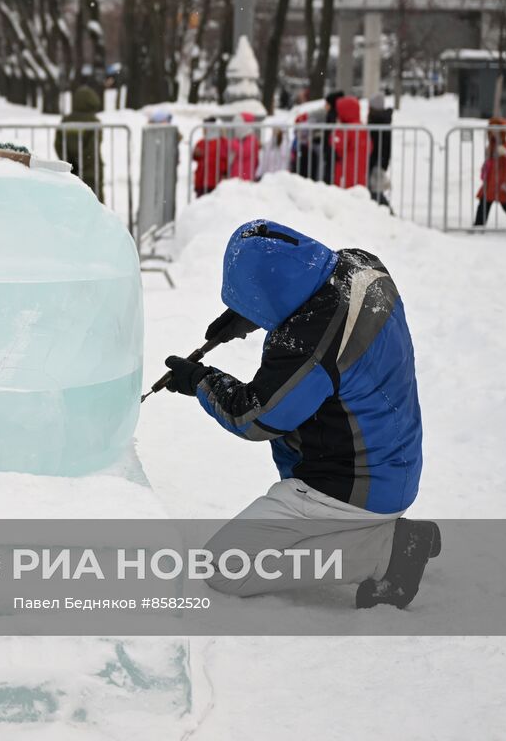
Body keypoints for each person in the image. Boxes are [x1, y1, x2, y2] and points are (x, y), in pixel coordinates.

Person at [156, 220, 436, 609]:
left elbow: (256, 417)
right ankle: (370, 532)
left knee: (225, 567)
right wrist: (254, 314)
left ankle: (385, 550)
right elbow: (322, 317)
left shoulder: (310, 343)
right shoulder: (362, 266)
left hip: (349, 488)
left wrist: (201, 380)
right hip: (395, 464)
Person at [57, 82, 105, 200]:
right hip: (90, 170)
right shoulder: (93, 122)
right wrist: (87, 169)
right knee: (94, 201)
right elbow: (92, 149)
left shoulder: (66, 121)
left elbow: (58, 144)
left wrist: (68, 163)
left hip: (69, 170)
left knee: (73, 200)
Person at [472, 116, 506, 228]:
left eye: (496, 129)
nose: (494, 132)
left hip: (502, 179)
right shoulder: (491, 145)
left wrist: (505, 153)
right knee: (484, 201)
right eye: (492, 129)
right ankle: (479, 224)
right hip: (490, 180)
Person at [330, 95, 371, 189]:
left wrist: (336, 132)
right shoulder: (362, 127)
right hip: (360, 170)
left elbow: (338, 146)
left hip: (346, 171)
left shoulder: (346, 129)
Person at [366, 92, 393, 208]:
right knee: (375, 188)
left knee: (375, 189)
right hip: (378, 158)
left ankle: (386, 210)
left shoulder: (378, 120)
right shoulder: (381, 119)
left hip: (377, 158)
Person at [191, 122, 232, 197]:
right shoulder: (201, 142)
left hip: (216, 179)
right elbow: (196, 157)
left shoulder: (223, 142)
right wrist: (195, 154)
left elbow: (226, 158)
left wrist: (225, 173)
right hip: (202, 180)